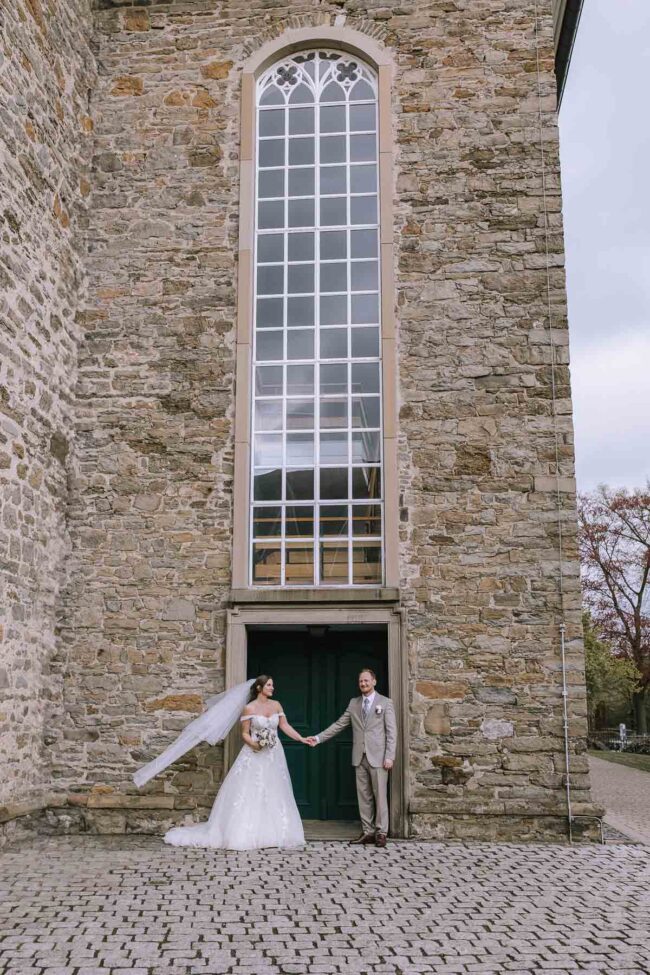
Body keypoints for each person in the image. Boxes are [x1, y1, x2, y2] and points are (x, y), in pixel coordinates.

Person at [133, 675, 308, 850]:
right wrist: (254, 744)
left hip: (273, 754)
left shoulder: (276, 705)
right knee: (250, 789)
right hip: (254, 754)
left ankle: (276, 832)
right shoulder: (249, 708)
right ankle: (246, 833)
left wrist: (301, 738)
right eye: (269, 685)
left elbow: (284, 726)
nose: (272, 688)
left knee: (275, 788)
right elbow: (245, 733)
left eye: (272, 685)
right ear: (259, 688)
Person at [307, 669, 396, 847]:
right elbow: (339, 724)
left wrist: (390, 756)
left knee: (380, 796)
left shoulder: (385, 703)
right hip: (359, 756)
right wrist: (318, 738)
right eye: (361, 681)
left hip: (378, 757)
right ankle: (368, 831)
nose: (363, 684)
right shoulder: (354, 703)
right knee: (363, 796)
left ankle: (381, 832)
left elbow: (391, 732)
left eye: (366, 681)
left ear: (374, 682)